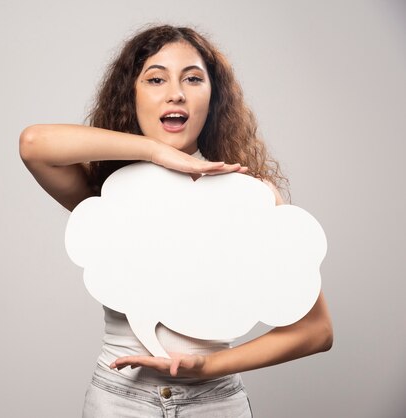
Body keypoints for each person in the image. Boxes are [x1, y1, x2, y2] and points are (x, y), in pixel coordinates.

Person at [19, 24, 333, 417]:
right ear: (131, 96)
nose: (176, 92)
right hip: (120, 403)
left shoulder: (248, 196)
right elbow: (34, 145)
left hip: (214, 402)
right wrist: (154, 152)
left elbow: (316, 331)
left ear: (212, 97)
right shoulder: (111, 195)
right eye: (155, 78)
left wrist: (207, 366)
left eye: (193, 78)